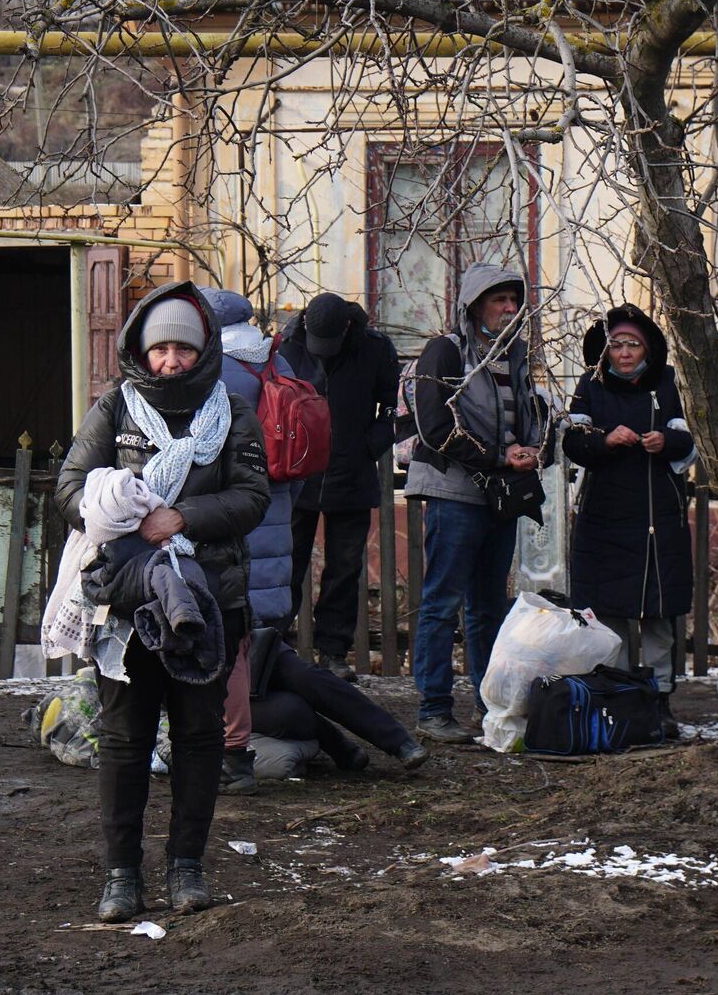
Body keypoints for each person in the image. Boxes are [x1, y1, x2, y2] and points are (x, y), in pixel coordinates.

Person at [54, 282, 271, 921]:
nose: (171, 361)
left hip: (210, 602)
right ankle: (122, 876)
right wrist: (118, 507)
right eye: (160, 349)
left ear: (203, 351)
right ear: (141, 353)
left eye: (183, 347)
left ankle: (187, 867)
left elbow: (253, 498)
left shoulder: (232, 411)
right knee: (124, 739)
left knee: (201, 736)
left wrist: (182, 517)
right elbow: (69, 489)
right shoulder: (114, 410)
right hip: (127, 601)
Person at [403, 261, 545, 743]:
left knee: (489, 606)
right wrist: (497, 455)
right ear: (474, 304)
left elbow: (526, 417)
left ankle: (491, 707)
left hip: (499, 495)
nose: (508, 308)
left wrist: (530, 447)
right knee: (442, 602)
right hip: (454, 492)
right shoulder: (446, 352)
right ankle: (433, 709)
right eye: (497, 300)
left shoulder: (516, 356)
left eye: (513, 301)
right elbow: (434, 427)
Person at [563, 305, 695, 730]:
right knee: (609, 612)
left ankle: (659, 703)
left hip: (657, 517)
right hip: (605, 517)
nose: (623, 353)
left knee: (658, 614)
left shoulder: (668, 384)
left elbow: (690, 440)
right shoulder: (591, 385)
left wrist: (666, 441)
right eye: (616, 344)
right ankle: (618, 700)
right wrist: (605, 440)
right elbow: (572, 442)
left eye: (632, 344)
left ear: (647, 349)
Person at [200, 287, 300, 794]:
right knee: (263, 643)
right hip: (277, 515)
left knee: (231, 646)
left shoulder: (218, 375)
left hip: (235, 523)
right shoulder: (275, 364)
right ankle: (284, 732)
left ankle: (237, 749)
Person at [277, 292, 402, 679]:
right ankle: (276, 650)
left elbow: (392, 409)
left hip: (351, 472)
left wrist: (369, 446)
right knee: (286, 566)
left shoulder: (376, 349)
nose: (324, 353)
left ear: (348, 328)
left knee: (344, 570)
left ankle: (333, 653)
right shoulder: (286, 345)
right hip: (296, 474)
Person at [246, 625, 429, 771]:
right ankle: (337, 745)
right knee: (290, 710)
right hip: (225, 691)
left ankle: (399, 741)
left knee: (306, 676)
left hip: (246, 644)